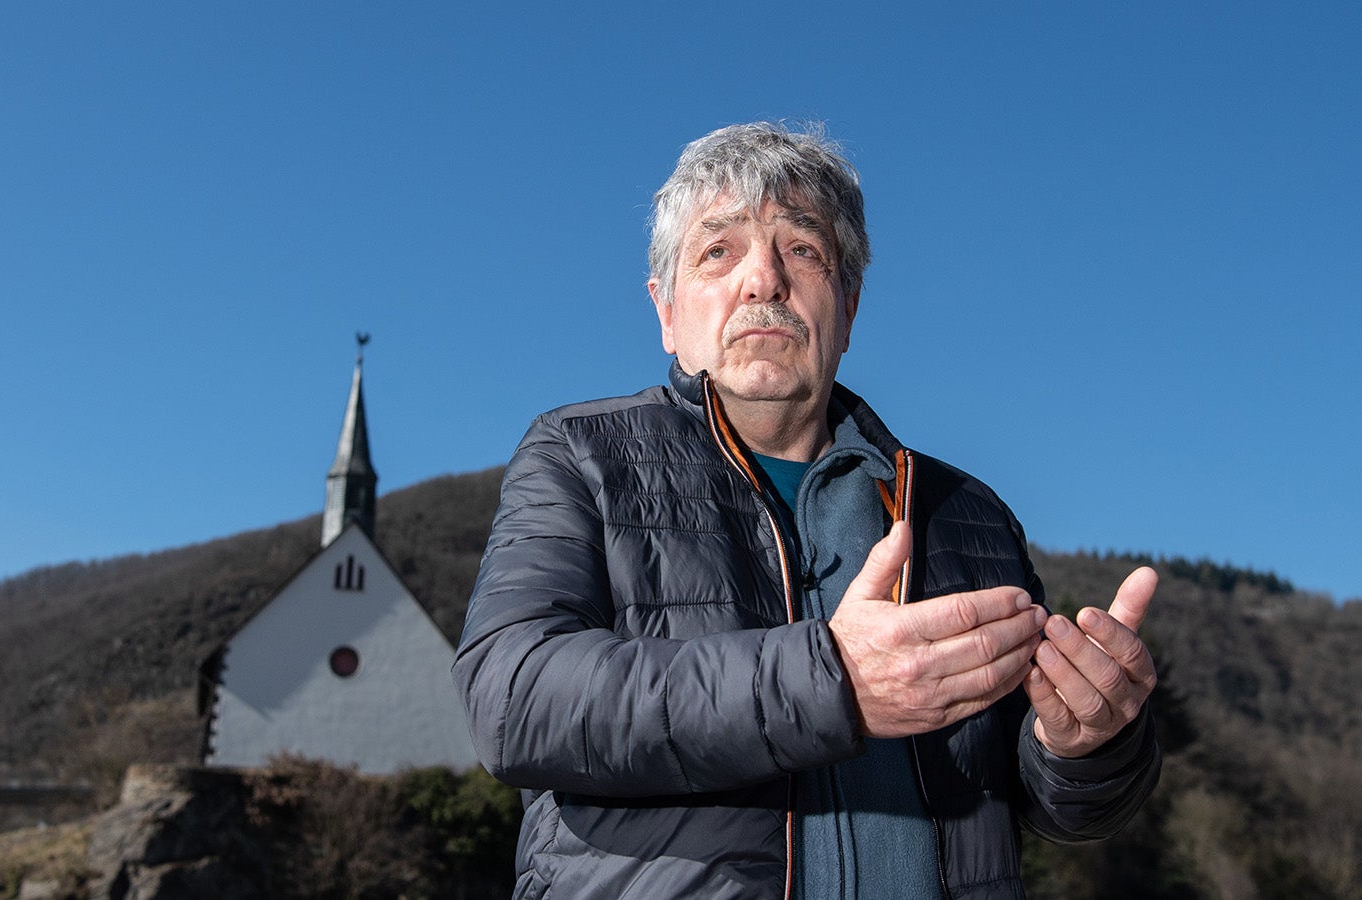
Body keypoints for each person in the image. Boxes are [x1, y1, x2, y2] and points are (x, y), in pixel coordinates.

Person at [453, 122, 1161, 899]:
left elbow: (1049, 805)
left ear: (849, 308)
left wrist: (1087, 743)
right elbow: (512, 698)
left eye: (803, 251)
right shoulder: (579, 456)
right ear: (665, 310)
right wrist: (832, 684)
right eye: (717, 251)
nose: (763, 281)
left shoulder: (967, 515)